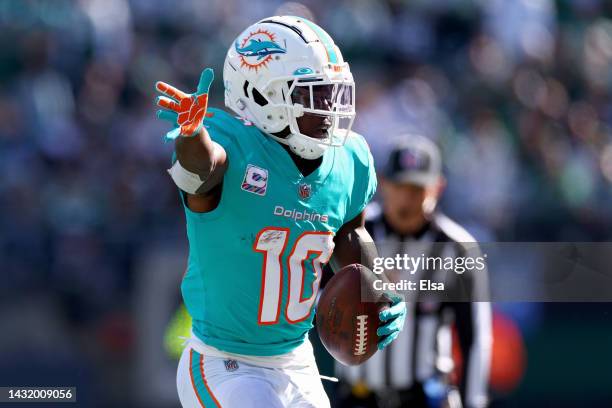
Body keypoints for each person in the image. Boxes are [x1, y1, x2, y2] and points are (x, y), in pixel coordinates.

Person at [154, 16, 406, 408]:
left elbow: (349, 236)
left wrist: (380, 291)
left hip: (296, 361)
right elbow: (198, 174)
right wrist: (192, 134)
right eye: (315, 97)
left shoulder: (350, 160)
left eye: (334, 95)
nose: (330, 110)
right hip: (224, 362)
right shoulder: (229, 144)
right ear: (260, 95)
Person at [336, 136, 492, 408]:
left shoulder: (457, 247)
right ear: (383, 183)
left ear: (437, 188)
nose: (407, 196)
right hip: (357, 396)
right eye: (400, 185)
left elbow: (475, 337)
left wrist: (473, 402)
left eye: (417, 188)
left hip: (423, 398)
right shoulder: (353, 235)